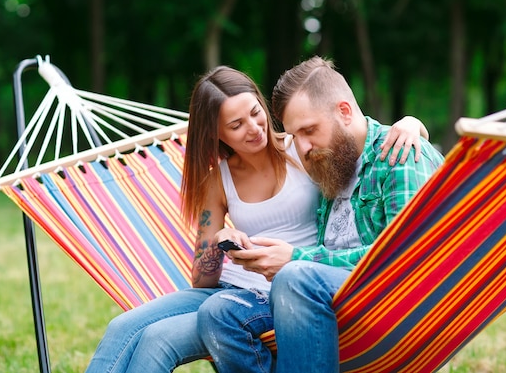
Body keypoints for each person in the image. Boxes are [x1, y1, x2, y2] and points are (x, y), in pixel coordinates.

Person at [84, 65, 427, 373]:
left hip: (290, 286)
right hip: (230, 287)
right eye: (236, 125)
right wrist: (219, 244)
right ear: (217, 135)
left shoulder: (304, 148)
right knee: (123, 328)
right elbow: (202, 279)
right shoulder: (218, 179)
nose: (254, 129)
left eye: (255, 113)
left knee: (160, 337)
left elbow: (353, 137)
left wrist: (412, 124)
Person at [264, 56, 445, 372]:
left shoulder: (399, 154)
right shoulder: (332, 162)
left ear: (344, 111)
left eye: (309, 130)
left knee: (294, 277)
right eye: (294, 136)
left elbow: (404, 256)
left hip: (391, 308)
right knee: (224, 315)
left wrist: (298, 258)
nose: (302, 147)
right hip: (332, 310)